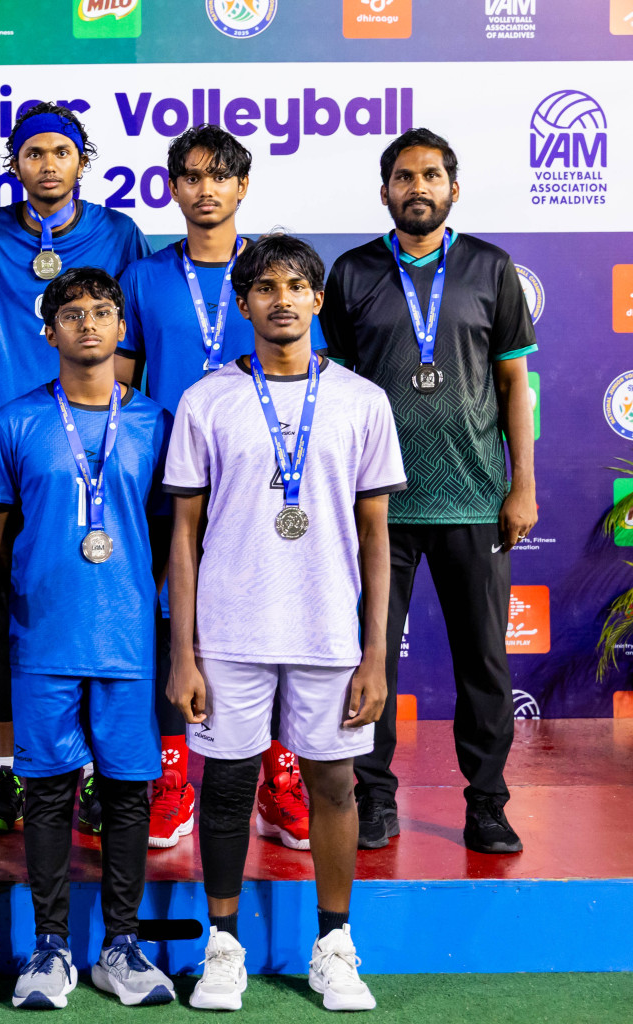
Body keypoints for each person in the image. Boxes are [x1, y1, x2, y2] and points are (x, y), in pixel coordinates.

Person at [165, 234, 404, 1013]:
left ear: (318, 299)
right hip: (229, 631)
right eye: (264, 287)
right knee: (228, 786)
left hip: (329, 630)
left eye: (297, 286)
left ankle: (334, 946)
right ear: (242, 304)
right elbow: (184, 535)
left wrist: (375, 655)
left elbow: (377, 538)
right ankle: (223, 947)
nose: (281, 300)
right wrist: (184, 652)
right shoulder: (206, 401)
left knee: (334, 785)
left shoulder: (364, 400)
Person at [321, 128, 537, 855]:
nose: (419, 187)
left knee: (484, 660)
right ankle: (374, 797)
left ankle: (487, 804)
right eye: (405, 177)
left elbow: (514, 385)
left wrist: (520, 486)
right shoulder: (351, 273)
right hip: (375, 505)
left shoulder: (491, 268)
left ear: (454, 188)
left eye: (433, 175)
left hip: (475, 500)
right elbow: (337, 393)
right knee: (367, 656)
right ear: (384, 191)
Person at [0, 101, 151, 836]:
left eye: (62, 151)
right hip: (15, 451)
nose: (48, 164)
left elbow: (135, 336)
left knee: (101, 620)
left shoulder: (120, 233)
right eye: (34, 153)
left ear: (81, 161)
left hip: (98, 449)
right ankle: (7, 776)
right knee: (10, 617)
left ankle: (95, 772)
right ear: (16, 165)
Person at [118, 125, 323, 852]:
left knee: (272, 610)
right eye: (191, 176)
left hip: (262, 472)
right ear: (171, 188)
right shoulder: (142, 276)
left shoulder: (272, 274)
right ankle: (171, 773)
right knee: (168, 619)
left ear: (243, 187)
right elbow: (120, 378)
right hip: (164, 475)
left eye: (220, 176)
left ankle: (279, 770)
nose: (205, 188)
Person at [0, 268, 174, 1010]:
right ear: (47, 329)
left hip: (127, 634)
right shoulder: (16, 421)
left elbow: (166, 529)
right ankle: (50, 947)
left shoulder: (155, 422)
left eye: (102, 312)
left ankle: (121, 945)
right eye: (71, 313)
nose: (88, 324)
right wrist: (42, 574)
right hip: (45, 635)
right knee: (50, 792)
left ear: (123, 328)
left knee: (125, 792)